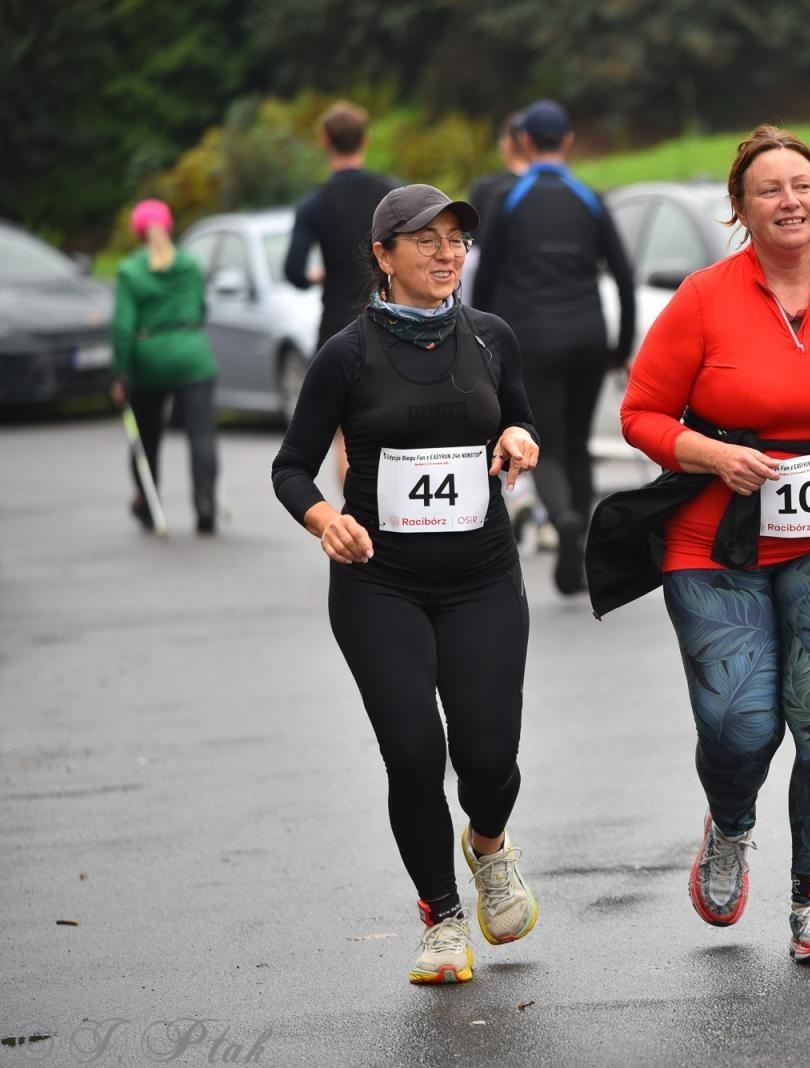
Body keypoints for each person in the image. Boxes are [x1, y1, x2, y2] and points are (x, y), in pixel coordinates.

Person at [617, 124, 810, 964]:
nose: (789, 201)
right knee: (741, 725)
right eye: (769, 190)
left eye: (802, 185)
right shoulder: (703, 299)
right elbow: (640, 415)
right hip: (713, 541)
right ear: (740, 210)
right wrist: (715, 455)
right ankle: (731, 821)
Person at [270, 185, 542, 985]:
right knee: (416, 754)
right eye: (425, 240)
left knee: (488, 757)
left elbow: (518, 419)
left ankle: (488, 846)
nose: (446, 253)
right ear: (382, 256)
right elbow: (291, 467)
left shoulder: (491, 338)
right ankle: (442, 917)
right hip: (377, 582)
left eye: (457, 238)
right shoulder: (345, 356)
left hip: (484, 578)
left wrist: (520, 436)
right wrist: (324, 518)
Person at [473, 99, 636, 596]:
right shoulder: (589, 197)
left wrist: (481, 342)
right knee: (579, 442)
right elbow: (625, 277)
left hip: (531, 340)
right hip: (588, 334)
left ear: (523, 142)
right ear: (567, 141)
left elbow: (486, 275)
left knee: (546, 444)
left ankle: (563, 517)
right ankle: (579, 542)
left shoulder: (508, 198)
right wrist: (620, 344)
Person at [284, 101, 399, 484]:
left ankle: (358, 519)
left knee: (347, 435)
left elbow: (292, 271)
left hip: (337, 323)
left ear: (324, 142)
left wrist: (320, 276)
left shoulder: (313, 205)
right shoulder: (390, 194)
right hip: (392, 317)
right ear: (365, 141)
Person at [110, 198, 220, 534]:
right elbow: (202, 309)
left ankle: (147, 501)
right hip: (193, 356)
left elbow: (123, 327)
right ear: (169, 226)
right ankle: (205, 504)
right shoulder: (189, 265)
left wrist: (120, 371)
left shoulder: (130, 270)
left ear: (137, 231)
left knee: (147, 435)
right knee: (201, 435)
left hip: (149, 359)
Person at [461, 111, 531, 308]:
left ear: (507, 143)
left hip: (498, 303)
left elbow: (471, 257)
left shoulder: (485, 189)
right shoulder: (555, 189)